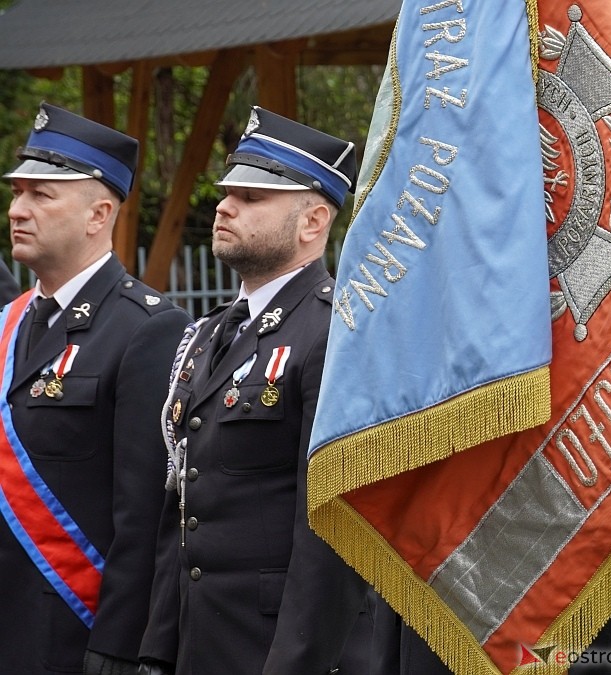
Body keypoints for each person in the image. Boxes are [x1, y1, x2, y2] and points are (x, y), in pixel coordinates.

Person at [138, 106, 368, 675]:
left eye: (252, 197)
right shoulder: (210, 333)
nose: (224, 206)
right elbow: (182, 505)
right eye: (227, 193)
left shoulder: (334, 333)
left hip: (275, 649)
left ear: (313, 222)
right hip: (198, 642)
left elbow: (329, 533)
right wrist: (155, 650)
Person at [0, 102, 190, 675]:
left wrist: (117, 646)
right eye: (17, 193)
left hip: (68, 628)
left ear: (98, 213)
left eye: (42, 195)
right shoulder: (10, 323)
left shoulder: (147, 326)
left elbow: (144, 515)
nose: (18, 210)